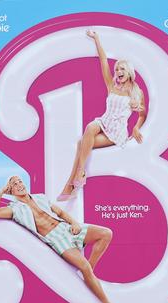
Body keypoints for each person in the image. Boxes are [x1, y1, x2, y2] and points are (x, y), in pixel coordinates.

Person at [0, 176, 122, 303]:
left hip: (66, 228)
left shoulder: (40, 197)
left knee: (106, 234)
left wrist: (75, 223)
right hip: (56, 239)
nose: (20, 184)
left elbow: (61, 213)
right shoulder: (14, 209)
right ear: (11, 190)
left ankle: (90, 273)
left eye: (20, 181)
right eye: (14, 184)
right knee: (84, 266)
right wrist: (1, 191)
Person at [57, 29, 146, 201]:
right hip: (103, 122)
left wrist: (136, 127)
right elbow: (103, 60)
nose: (117, 71)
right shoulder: (111, 86)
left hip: (116, 132)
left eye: (121, 69)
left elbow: (142, 114)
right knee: (90, 126)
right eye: (116, 69)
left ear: (128, 72)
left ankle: (69, 188)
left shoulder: (136, 92)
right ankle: (80, 174)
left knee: (81, 143)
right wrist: (97, 38)